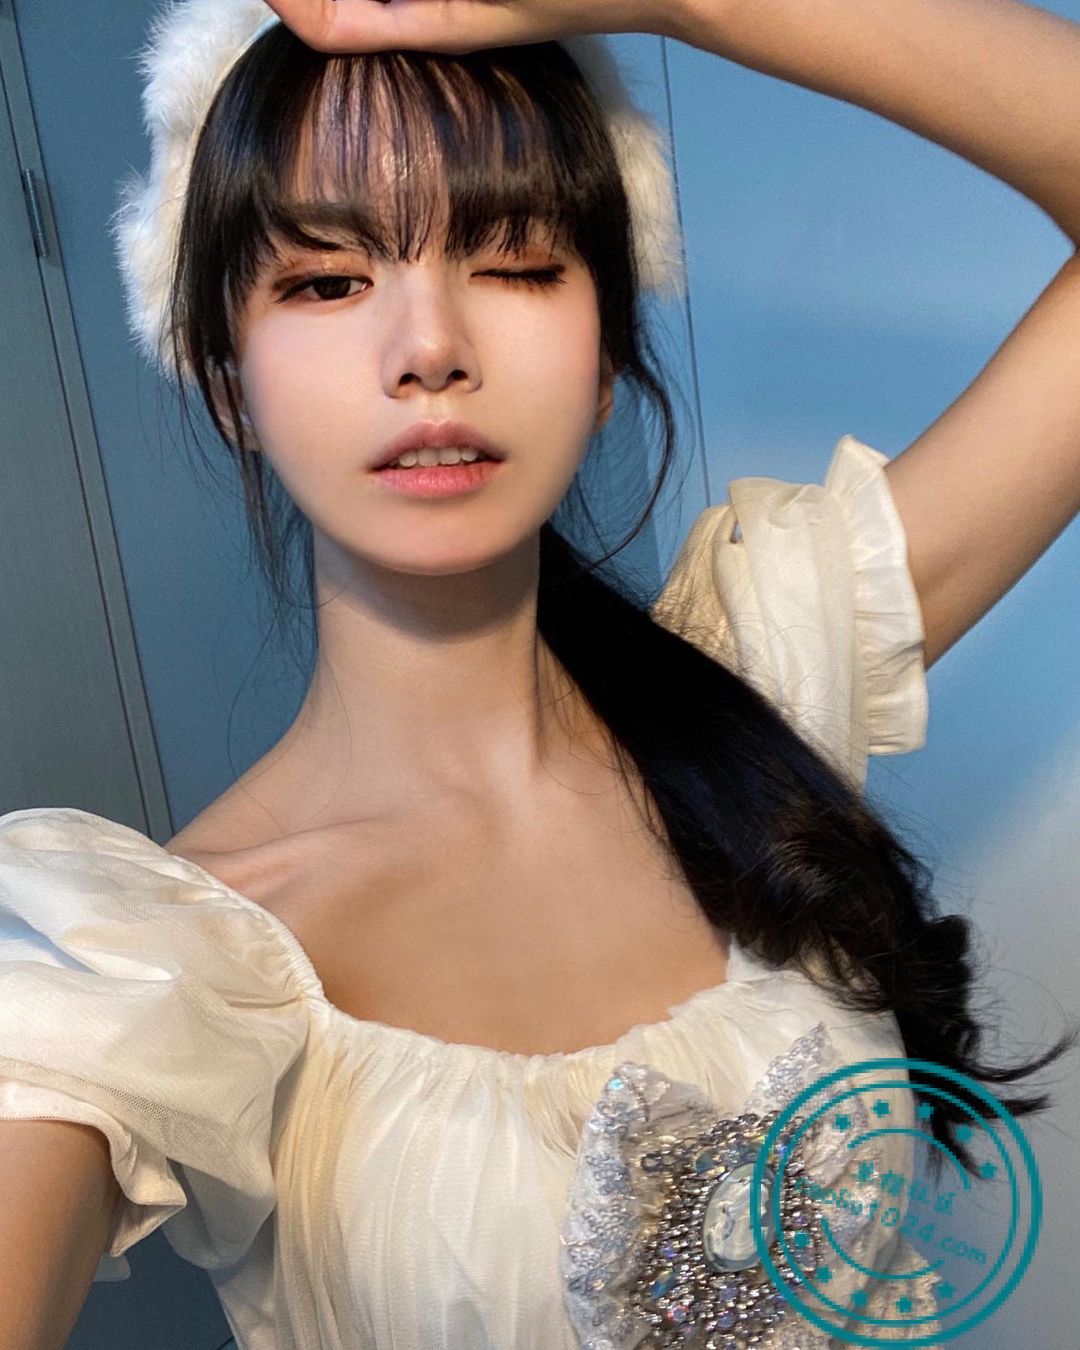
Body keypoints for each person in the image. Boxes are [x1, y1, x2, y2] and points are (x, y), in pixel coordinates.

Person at [1, 0, 1077, 1346]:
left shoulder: (762, 679)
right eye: (327, 281)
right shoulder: (159, 960)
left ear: (610, 352)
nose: (429, 348)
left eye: (514, 262)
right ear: (227, 382)